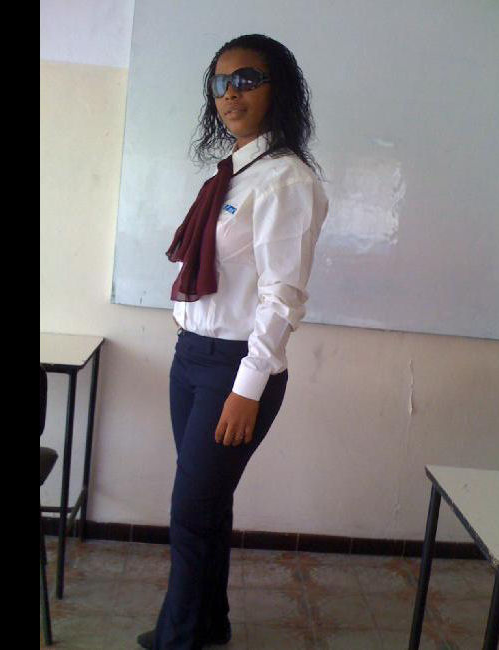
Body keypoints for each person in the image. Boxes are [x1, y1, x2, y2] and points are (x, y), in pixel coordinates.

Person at [137, 33, 329, 649]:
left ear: (279, 90)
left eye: (246, 79)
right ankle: (207, 623)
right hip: (192, 360)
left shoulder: (285, 181)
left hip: (235, 369)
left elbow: (282, 298)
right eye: (220, 83)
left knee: (191, 512)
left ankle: (178, 639)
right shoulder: (234, 173)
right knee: (208, 506)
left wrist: (248, 387)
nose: (230, 94)